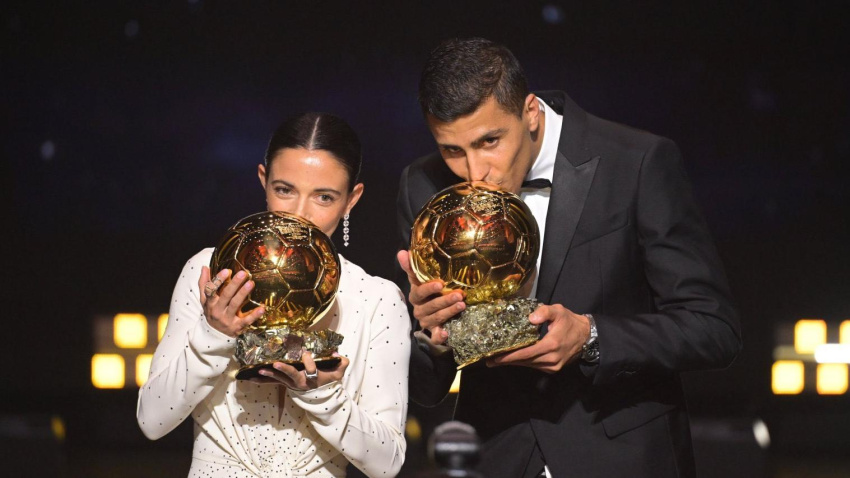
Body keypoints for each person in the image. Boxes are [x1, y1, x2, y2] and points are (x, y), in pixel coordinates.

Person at [396, 38, 742, 477]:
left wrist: (591, 336)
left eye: (489, 141)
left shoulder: (637, 162)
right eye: (451, 150)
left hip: (623, 458)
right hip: (496, 457)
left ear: (531, 112)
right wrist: (431, 336)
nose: (473, 172)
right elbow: (425, 387)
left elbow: (714, 328)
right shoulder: (423, 188)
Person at [138, 112, 411, 477]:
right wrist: (213, 334)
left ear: (351, 200)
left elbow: (388, 463)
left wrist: (321, 395)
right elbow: (152, 420)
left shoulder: (376, 299)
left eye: (324, 197)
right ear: (263, 181)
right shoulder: (210, 273)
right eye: (285, 190)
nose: (298, 215)